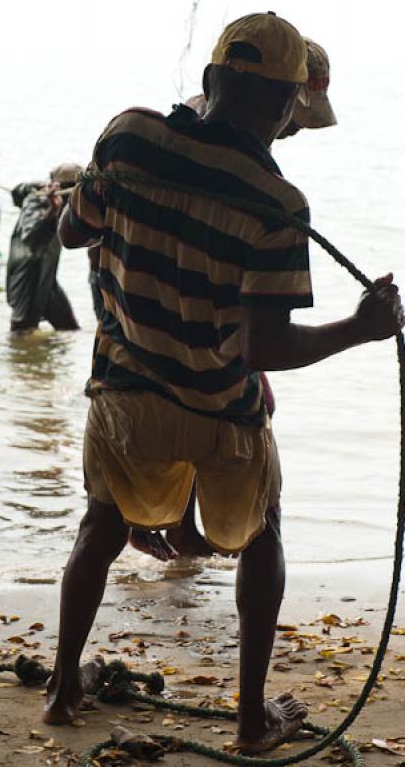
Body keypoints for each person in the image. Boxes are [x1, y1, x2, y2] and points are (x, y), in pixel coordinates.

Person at [43, 12, 403, 751]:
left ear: (211, 79)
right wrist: (362, 329)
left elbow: (72, 232)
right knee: (264, 531)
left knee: (101, 524)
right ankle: (248, 722)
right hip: (219, 412)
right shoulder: (277, 203)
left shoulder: (127, 135)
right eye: (289, 114)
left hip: (124, 397)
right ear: (281, 105)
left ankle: (61, 688)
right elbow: (264, 345)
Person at [130, 36, 338, 561]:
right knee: (225, 403)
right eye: (294, 118)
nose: (292, 132)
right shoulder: (228, 143)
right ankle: (156, 519)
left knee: (237, 398)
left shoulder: (229, 133)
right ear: (283, 100)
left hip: (180, 302)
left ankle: (171, 525)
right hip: (186, 296)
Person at [7, 163, 80, 332]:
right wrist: (52, 210)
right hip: (28, 278)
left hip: (47, 278)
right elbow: (31, 237)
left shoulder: (38, 192)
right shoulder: (39, 200)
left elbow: (17, 192)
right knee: (22, 332)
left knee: (69, 328)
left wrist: (37, 185)